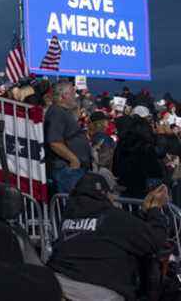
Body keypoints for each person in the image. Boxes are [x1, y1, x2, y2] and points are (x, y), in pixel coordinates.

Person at [48, 172, 169, 300]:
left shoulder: (69, 216)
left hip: (57, 284)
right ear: (105, 193)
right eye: (112, 193)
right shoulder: (112, 217)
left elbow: (114, 232)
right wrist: (154, 210)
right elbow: (155, 240)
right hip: (97, 292)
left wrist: (142, 211)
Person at [45, 82, 90, 194]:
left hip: (72, 169)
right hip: (67, 170)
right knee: (73, 205)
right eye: (73, 93)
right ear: (64, 95)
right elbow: (54, 142)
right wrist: (74, 160)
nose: (75, 96)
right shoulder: (57, 112)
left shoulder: (63, 112)